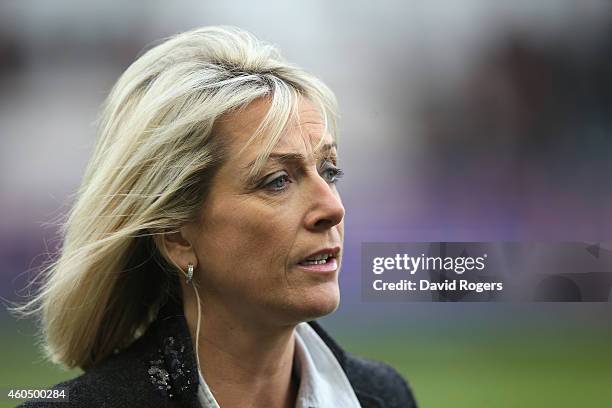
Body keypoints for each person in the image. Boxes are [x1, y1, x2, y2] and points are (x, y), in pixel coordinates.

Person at [16, 26, 417, 408]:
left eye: (329, 171)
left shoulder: (382, 396)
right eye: (277, 180)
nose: (332, 208)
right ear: (178, 237)